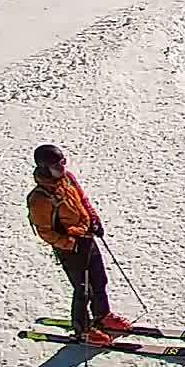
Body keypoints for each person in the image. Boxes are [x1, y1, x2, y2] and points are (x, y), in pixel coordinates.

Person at [27, 145, 126, 344]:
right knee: (83, 289)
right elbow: (44, 232)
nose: (62, 167)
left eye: (64, 161)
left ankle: (102, 316)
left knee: (99, 280)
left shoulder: (68, 178)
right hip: (70, 248)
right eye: (57, 165)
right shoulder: (39, 198)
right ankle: (83, 330)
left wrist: (94, 220)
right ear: (45, 167)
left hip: (86, 236)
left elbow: (83, 200)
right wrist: (70, 243)